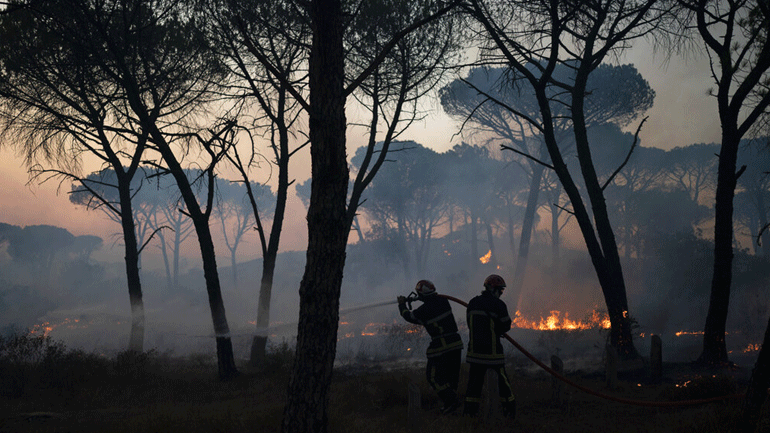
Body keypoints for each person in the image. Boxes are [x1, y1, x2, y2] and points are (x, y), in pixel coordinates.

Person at [397, 280, 464, 414]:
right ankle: (451, 406)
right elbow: (432, 304)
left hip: (441, 347)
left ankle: (452, 401)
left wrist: (402, 304)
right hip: (456, 344)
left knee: (433, 377)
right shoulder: (444, 301)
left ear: (421, 295)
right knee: (450, 378)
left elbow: (409, 316)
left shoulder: (425, 310)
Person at [462, 274, 516, 419]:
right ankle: (509, 411)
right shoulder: (499, 305)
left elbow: (470, 324)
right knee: (503, 383)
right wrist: (497, 330)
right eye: (501, 290)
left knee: (473, 384)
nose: (501, 293)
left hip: (474, 352)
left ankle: (469, 414)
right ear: (493, 289)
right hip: (493, 353)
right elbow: (506, 325)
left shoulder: (472, 302)